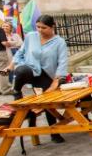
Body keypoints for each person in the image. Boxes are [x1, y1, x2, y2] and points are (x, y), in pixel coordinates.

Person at [7, 15, 69, 143]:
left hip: (46, 74)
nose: (40, 30)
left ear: (52, 27)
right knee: (21, 70)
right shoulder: (31, 36)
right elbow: (21, 52)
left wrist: (56, 80)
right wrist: (11, 65)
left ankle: (54, 132)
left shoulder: (59, 42)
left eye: (44, 27)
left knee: (47, 103)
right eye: (38, 27)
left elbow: (62, 62)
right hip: (31, 70)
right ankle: (16, 93)